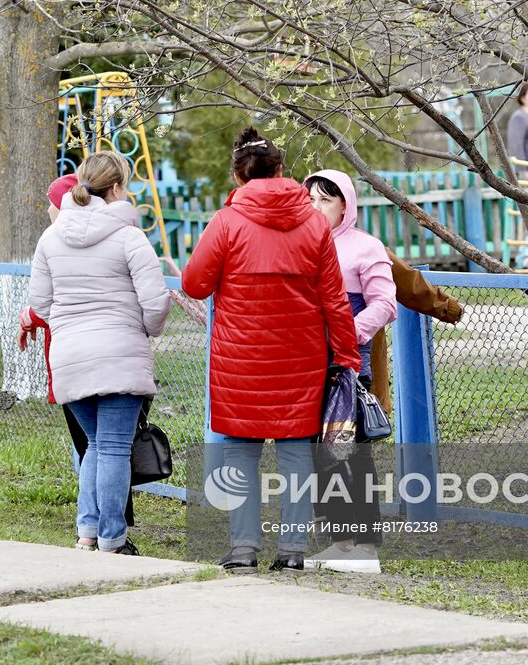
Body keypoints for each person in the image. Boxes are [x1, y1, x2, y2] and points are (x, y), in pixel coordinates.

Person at [182, 127, 361, 573]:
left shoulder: (226, 223)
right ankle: (293, 551)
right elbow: (334, 297)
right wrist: (346, 355)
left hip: (239, 360)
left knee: (240, 451)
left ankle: (243, 548)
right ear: (282, 170)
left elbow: (193, 283)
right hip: (301, 358)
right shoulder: (315, 224)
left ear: (238, 177)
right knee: (296, 453)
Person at [29, 152, 171, 555]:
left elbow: (39, 304)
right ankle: (113, 538)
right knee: (111, 447)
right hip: (119, 354)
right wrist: (148, 330)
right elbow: (155, 302)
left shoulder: (50, 238)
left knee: (95, 444)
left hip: (70, 358)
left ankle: (87, 533)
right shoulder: (129, 237)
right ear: (115, 189)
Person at [302, 170, 398, 574]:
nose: (316, 207)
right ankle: (341, 543)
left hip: (345, 366)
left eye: (325, 199)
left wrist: (347, 333)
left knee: (350, 454)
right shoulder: (300, 244)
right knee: (320, 453)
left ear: (346, 205)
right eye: (310, 199)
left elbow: (385, 303)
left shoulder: (365, 248)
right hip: (306, 364)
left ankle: (363, 547)